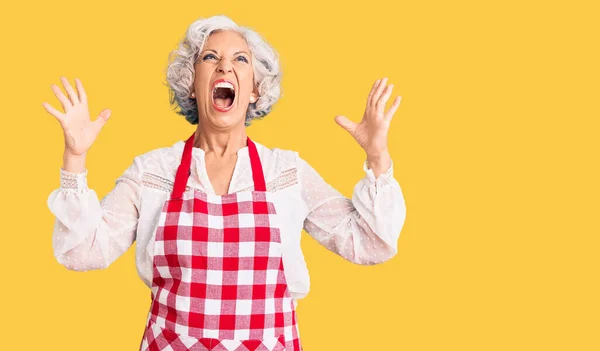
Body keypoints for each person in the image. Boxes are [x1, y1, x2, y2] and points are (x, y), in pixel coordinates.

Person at [44, 15, 406, 351]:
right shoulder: (153, 171)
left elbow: (371, 243)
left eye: (241, 59)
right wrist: (74, 159)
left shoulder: (286, 172)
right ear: (190, 84)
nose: (225, 65)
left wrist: (377, 156)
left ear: (254, 91)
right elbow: (82, 251)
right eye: (210, 57)